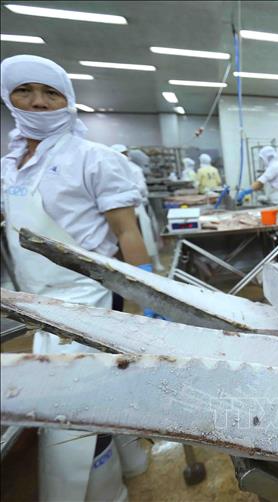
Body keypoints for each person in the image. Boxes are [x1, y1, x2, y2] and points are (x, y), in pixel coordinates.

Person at [1, 55, 155, 501]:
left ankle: (105, 492)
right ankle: (132, 459)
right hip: (39, 299)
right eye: (25, 90)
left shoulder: (92, 158)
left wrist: (148, 297)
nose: (38, 102)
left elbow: (127, 233)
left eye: (51, 93)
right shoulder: (11, 164)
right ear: (7, 96)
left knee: (74, 411)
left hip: (89, 297)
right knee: (104, 388)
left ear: (67, 100)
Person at [111, 144, 163, 272]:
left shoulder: (134, 169)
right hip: (118, 208)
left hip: (138, 206)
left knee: (147, 235)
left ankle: (154, 263)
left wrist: (126, 194)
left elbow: (142, 189)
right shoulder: (111, 170)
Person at [236, 146, 278, 236]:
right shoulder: (274, 166)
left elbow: (259, 183)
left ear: (266, 157)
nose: (262, 161)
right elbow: (262, 185)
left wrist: (245, 192)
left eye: (262, 158)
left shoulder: (274, 167)